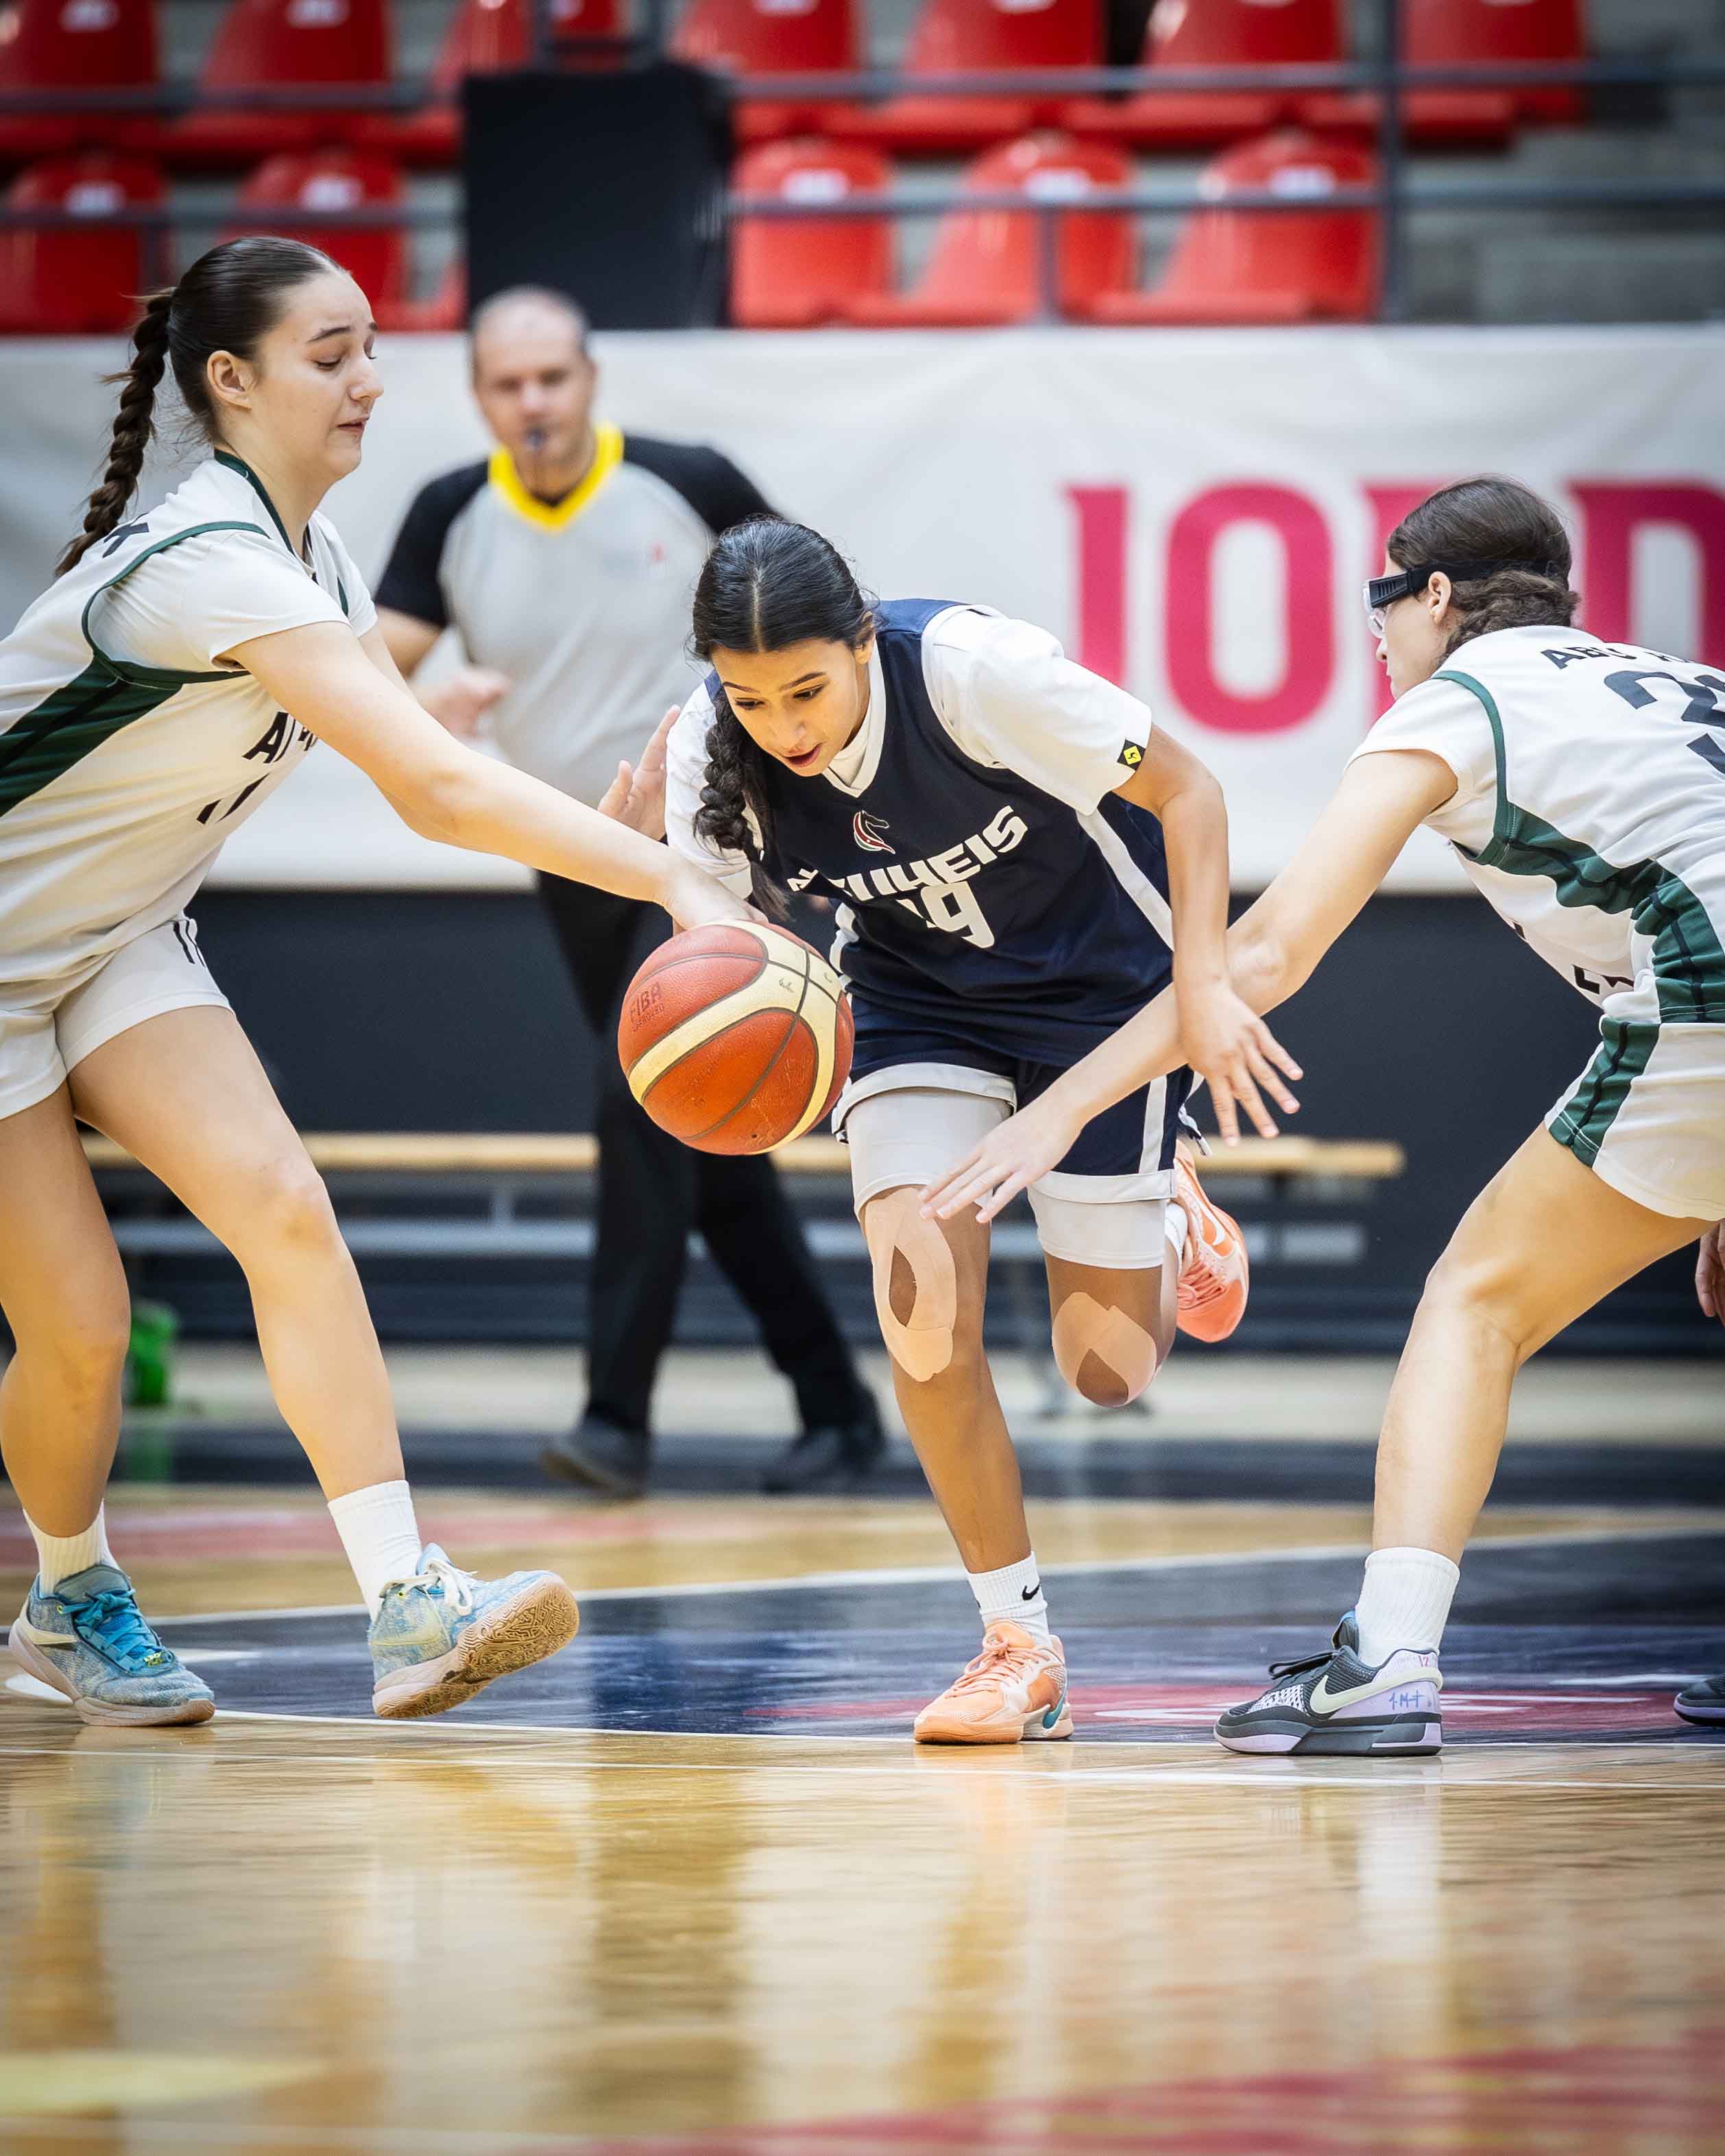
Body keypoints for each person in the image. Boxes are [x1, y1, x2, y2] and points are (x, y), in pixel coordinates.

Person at [0, 239, 751, 1730]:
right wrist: (667, 878)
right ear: (232, 381)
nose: (368, 381)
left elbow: (417, 740)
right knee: (80, 1326)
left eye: (369, 349)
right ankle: (68, 1595)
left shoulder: (315, 557)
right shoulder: (206, 560)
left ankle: (410, 1598)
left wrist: (573, 803)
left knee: (288, 1208)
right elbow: (432, 788)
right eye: (331, 354)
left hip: (115, 933)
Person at [922, 474, 1725, 1751]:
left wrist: (1061, 1109)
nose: (1378, 636)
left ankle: (1388, 1662)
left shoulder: (1460, 700)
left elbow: (1266, 952)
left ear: (1436, 596)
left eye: (1381, 603)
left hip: (1705, 997)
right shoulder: (1680, 679)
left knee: (1476, 1303)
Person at [649, 517, 1300, 1744]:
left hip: (1104, 989)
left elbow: (1192, 790)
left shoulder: (973, 674)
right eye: (750, 699)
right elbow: (729, 953)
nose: (782, 726)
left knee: (1107, 1370)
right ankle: (1018, 1641)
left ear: (861, 643)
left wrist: (1206, 988)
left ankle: (1174, 1209)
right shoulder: (704, 749)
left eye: (807, 691)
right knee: (919, 1303)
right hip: (917, 1000)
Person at [374, 286, 882, 1499]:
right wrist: (423, 704)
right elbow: (362, 675)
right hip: (574, 857)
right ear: (479, 396)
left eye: (552, 378)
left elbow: (815, 623)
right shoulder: (450, 511)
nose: (534, 402)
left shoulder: (685, 479)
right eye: (509, 384)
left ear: (590, 379)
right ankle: (838, 1406)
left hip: (713, 853)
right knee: (706, 1133)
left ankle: (615, 1420)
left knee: (644, 1100)